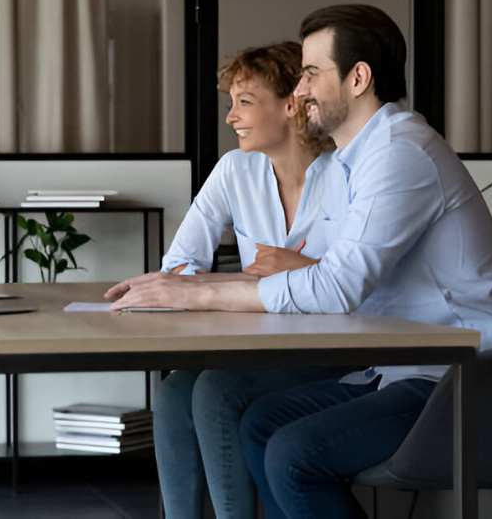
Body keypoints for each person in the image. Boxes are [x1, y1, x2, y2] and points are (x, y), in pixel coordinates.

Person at [110, 4, 492, 519]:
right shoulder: (357, 158)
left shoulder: (399, 154)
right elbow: (319, 270)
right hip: (397, 368)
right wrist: (219, 282)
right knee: (260, 424)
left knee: (292, 453)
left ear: (358, 78)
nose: (300, 88)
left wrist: (199, 291)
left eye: (310, 73)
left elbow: (335, 286)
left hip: (458, 378)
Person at [107, 42, 346, 519]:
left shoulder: (343, 173)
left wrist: (298, 269)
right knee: (173, 392)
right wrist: (241, 281)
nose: (230, 117)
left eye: (245, 102)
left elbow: (352, 283)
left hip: (338, 354)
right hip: (260, 348)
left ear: (292, 103)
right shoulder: (235, 170)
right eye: (231, 103)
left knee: (216, 390)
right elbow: (179, 266)